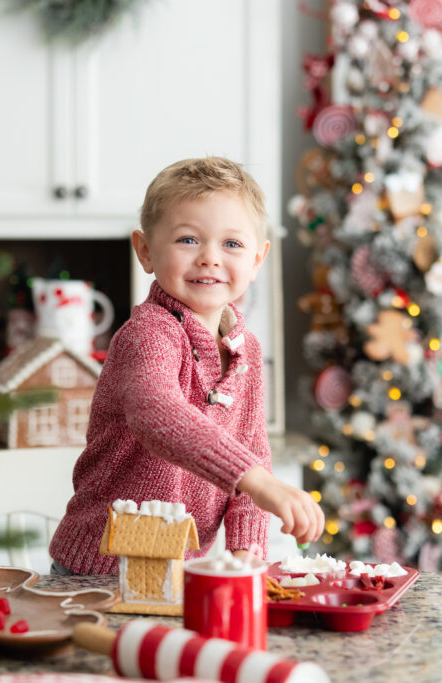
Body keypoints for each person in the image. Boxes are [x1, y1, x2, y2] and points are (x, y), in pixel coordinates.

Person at [48, 157, 324, 575]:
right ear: (145, 250)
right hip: (101, 570)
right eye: (188, 240)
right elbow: (157, 413)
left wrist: (247, 547)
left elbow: (253, 449)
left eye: (232, 244)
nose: (210, 258)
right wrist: (256, 479)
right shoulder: (150, 333)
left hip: (179, 572)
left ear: (257, 259)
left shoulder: (245, 349)